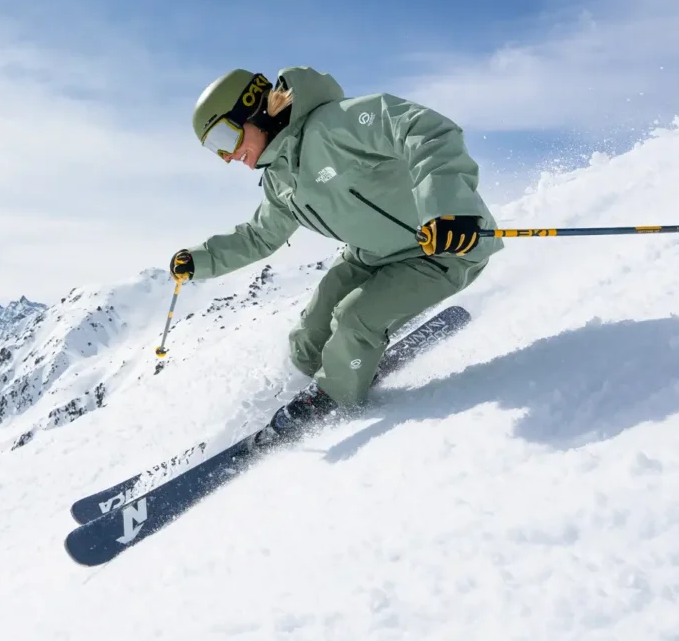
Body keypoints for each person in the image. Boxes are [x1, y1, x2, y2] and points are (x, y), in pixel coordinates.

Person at [170, 67, 499, 426]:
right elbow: (260, 235)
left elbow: (424, 130)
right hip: (373, 256)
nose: (227, 156)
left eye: (224, 138)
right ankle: (322, 378)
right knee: (311, 332)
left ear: (251, 111)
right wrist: (199, 261)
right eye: (214, 149)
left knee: (354, 319)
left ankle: (335, 403)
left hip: (443, 247)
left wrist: (449, 209)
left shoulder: (336, 125)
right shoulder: (281, 178)